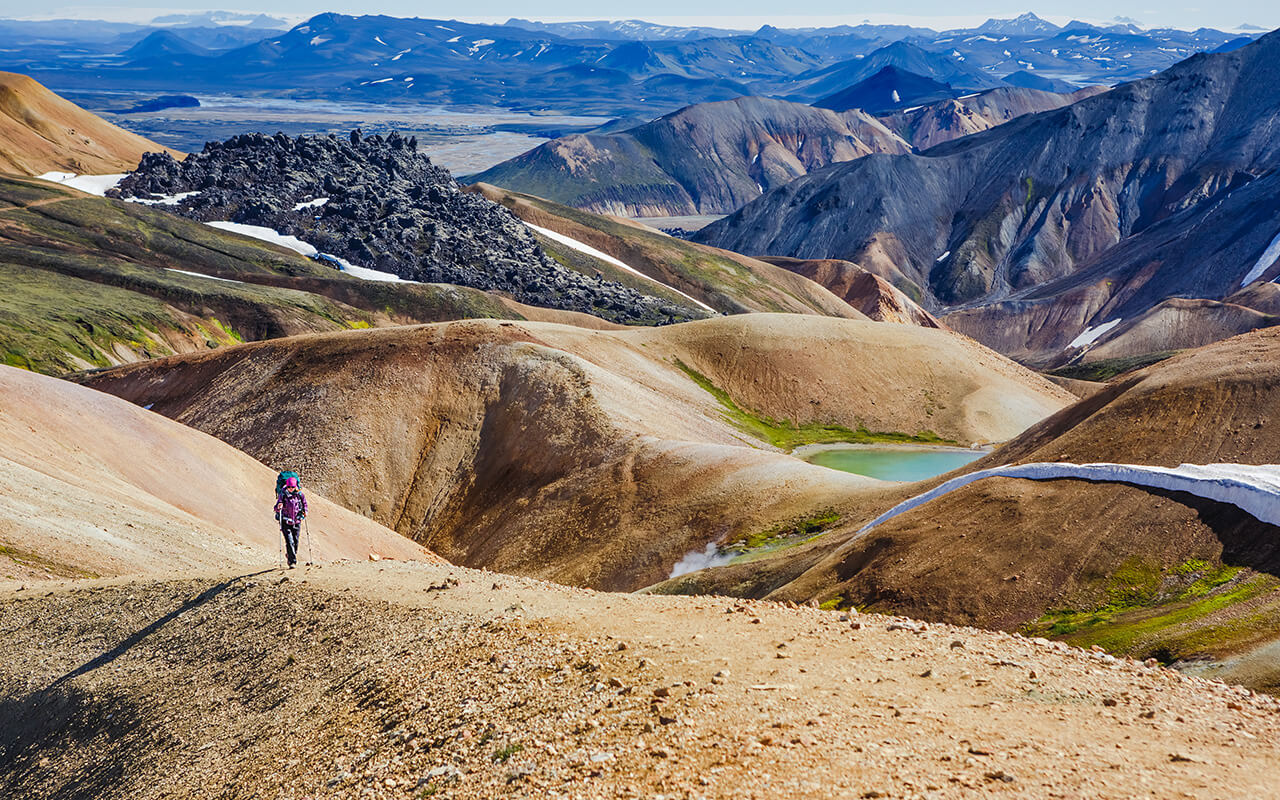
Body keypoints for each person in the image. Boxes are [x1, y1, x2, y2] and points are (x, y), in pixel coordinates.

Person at [274, 476, 308, 568]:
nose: (290, 489)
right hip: (286, 521)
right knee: (289, 541)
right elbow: (276, 507)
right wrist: (279, 506)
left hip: (297, 521)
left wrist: (305, 512)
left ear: (295, 486)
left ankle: (290, 555)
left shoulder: (300, 495)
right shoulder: (283, 494)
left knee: (295, 541)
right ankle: (292, 562)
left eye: (292, 487)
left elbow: (305, 504)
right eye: (289, 487)